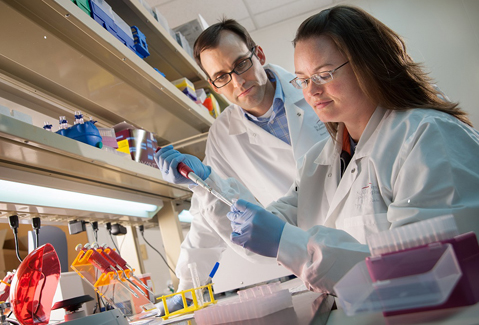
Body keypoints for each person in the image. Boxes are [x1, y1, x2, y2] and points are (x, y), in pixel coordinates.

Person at [165, 5, 479, 294]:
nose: (312, 91)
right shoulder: (324, 159)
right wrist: (207, 184)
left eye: (324, 75)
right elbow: (263, 222)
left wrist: (289, 244)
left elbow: (430, 274)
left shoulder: (428, 136)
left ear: (368, 64)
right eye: (303, 80)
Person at [154, 19, 328, 311]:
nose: (237, 82)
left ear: (258, 55)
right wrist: (187, 289)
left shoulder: (312, 89)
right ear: (213, 85)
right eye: (221, 76)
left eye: (241, 64)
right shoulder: (222, 135)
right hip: (306, 258)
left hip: (364, 230)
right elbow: (204, 221)